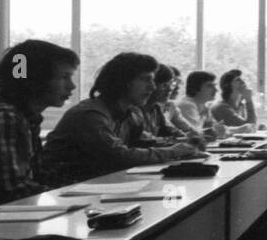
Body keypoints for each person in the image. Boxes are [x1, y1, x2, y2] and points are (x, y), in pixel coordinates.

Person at [43, 53, 200, 184]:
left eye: (152, 80)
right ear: (122, 81)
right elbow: (120, 156)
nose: (152, 87)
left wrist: (186, 146)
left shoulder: (132, 113)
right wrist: (173, 151)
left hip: (97, 186)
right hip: (62, 190)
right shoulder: (89, 114)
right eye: (145, 79)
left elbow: (147, 142)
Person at [0, 40, 78, 205]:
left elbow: (38, 175)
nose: (72, 86)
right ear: (35, 80)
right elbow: (12, 191)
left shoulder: (23, 116)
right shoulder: (3, 116)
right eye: (64, 77)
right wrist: (74, 197)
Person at [141, 64, 200, 144]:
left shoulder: (156, 108)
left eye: (172, 84)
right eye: (164, 85)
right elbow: (147, 140)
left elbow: (172, 130)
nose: (170, 89)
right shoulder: (134, 110)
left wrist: (194, 138)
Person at [176, 71, 227, 139]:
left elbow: (212, 128)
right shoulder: (187, 106)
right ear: (195, 88)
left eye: (215, 85)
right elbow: (194, 135)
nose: (216, 90)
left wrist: (237, 129)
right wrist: (215, 131)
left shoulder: (203, 105)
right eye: (210, 86)